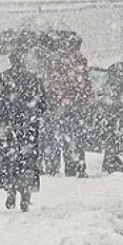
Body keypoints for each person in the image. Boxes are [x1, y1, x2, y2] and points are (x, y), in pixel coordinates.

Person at [0, 53, 47, 211]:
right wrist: (29, 108)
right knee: (27, 158)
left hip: (7, 126)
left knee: (8, 157)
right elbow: (43, 105)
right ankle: (26, 192)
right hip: (28, 126)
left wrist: (8, 107)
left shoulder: (2, 78)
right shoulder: (34, 79)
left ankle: (10, 189)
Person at [40, 48, 92, 177]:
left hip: (59, 108)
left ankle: (54, 167)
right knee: (72, 140)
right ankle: (74, 167)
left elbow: (50, 86)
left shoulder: (52, 63)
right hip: (71, 109)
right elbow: (84, 86)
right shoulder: (78, 63)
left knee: (54, 139)